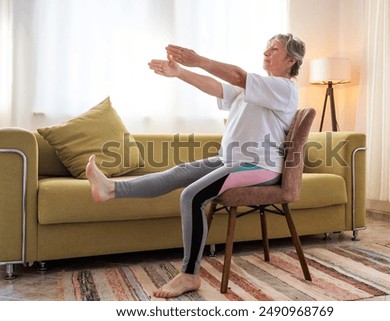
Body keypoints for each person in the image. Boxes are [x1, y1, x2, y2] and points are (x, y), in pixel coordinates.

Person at [86, 33, 305, 298]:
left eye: (274, 49)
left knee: (191, 195)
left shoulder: (284, 88)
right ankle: (110, 189)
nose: (266, 52)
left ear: (291, 60)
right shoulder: (258, 87)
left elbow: (236, 76)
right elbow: (219, 87)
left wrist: (198, 60)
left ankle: (189, 275)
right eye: (266, 48)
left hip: (260, 165)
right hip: (231, 160)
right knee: (178, 173)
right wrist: (180, 73)